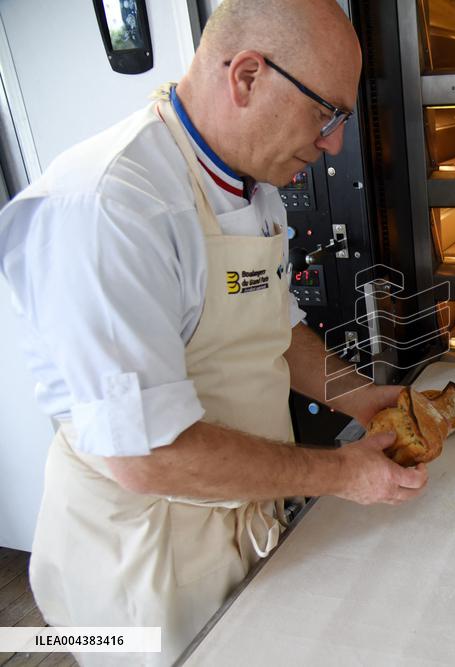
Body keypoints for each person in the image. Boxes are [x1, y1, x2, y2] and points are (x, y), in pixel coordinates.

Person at [0, 1, 427, 663]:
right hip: (142, 568)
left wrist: (356, 396)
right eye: (327, 113)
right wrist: (337, 472)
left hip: (240, 522)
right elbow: (148, 454)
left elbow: (274, 330)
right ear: (248, 76)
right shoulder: (113, 208)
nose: (335, 143)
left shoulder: (253, 190)